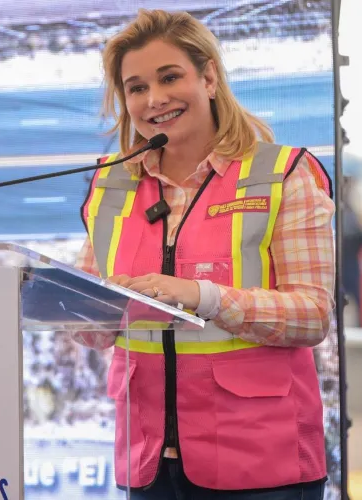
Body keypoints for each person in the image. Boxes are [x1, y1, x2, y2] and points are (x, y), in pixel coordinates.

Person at [72, 9, 336, 499]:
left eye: (170, 77)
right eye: (136, 87)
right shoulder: (111, 184)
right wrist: (87, 303)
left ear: (209, 78)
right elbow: (90, 331)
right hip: (149, 462)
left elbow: (313, 315)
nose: (155, 99)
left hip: (262, 463)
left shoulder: (283, 173)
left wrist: (202, 297)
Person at [341, 175, 362, 326]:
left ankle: (360, 329)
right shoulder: (339, 209)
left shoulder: (350, 210)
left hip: (351, 262)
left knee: (357, 300)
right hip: (342, 263)